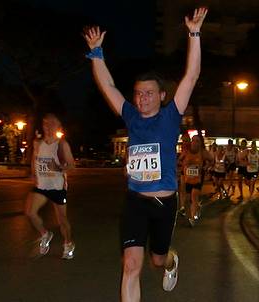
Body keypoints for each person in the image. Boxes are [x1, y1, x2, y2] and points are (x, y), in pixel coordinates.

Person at [83, 7, 207, 301]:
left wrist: (194, 33)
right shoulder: (130, 116)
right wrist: (96, 53)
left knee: (157, 260)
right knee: (130, 265)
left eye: (149, 93)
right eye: (138, 93)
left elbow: (191, 76)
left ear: (162, 96)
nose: (142, 98)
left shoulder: (170, 116)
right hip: (135, 202)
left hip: (164, 204)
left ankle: (170, 260)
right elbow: (109, 86)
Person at [24, 113, 76, 259]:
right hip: (41, 186)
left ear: (58, 126)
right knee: (30, 212)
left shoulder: (62, 144)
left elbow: (72, 165)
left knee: (62, 220)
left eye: (52, 123)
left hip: (57, 187)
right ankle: (45, 234)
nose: (48, 126)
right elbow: (34, 159)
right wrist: (33, 173)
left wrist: (58, 167)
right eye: (45, 123)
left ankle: (68, 243)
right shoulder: (38, 143)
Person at [180, 135, 213, 226]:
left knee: (194, 196)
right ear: (191, 141)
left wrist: (206, 167)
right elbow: (179, 160)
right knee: (187, 199)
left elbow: (211, 160)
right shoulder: (186, 151)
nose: (195, 143)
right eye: (194, 140)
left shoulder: (202, 152)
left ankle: (192, 218)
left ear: (200, 143)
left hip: (197, 179)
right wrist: (183, 167)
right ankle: (195, 210)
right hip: (187, 180)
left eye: (197, 141)